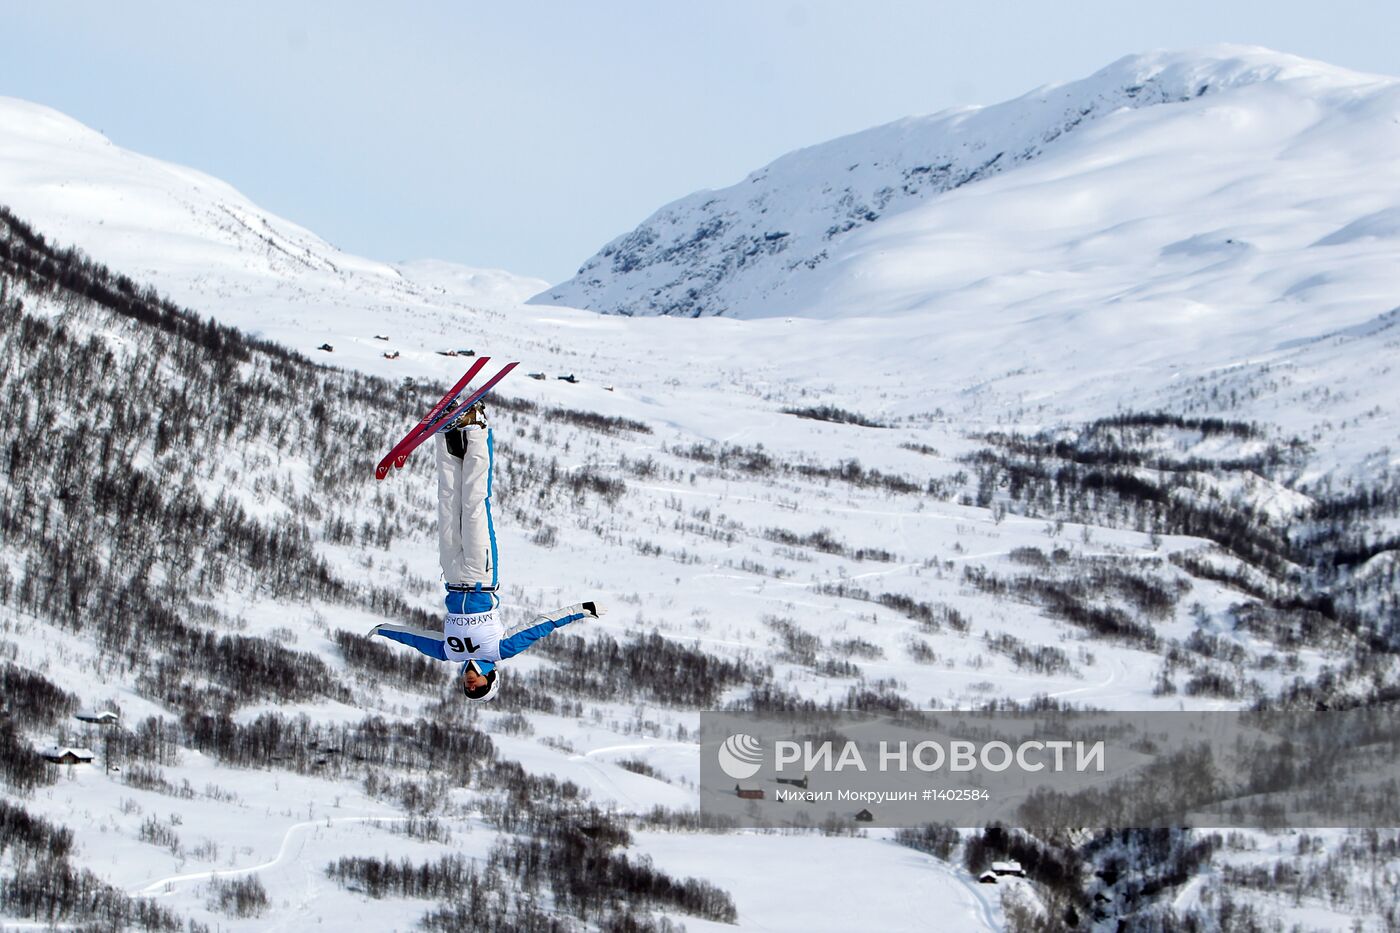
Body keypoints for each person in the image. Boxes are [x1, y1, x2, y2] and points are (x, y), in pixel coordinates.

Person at [369, 401, 604, 701]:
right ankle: (477, 428)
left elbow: (415, 639)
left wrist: (383, 630)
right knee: (475, 505)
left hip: (452, 576)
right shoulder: (500, 650)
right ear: (490, 678)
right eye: (478, 686)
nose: (470, 682)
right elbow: (541, 626)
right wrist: (582, 610)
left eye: (468, 688)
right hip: (481, 574)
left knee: (447, 502)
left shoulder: (449, 653)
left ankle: (447, 435)